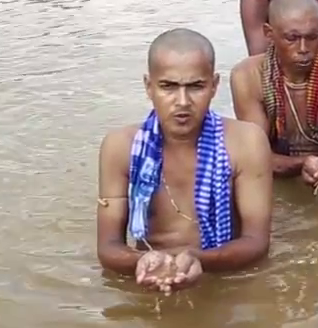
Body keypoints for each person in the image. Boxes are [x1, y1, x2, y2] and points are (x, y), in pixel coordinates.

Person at [96, 29, 274, 293]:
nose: (182, 101)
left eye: (195, 86)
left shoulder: (246, 142)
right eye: (168, 86)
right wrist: (143, 260)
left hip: (224, 279)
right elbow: (108, 247)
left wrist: (199, 259)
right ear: (148, 86)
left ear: (214, 86)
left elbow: (256, 242)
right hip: (148, 276)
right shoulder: (120, 147)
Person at [230, 0, 318, 188]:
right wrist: (304, 164)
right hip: (276, 178)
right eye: (292, 38)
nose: (303, 49)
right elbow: (256, 156)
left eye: (312, 37)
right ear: (269, 34)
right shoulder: (247, 76)